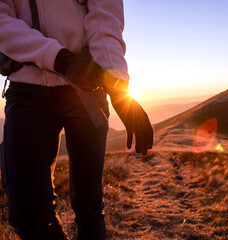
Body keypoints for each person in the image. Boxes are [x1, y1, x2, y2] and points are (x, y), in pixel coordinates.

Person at [0, 0, 153, 239]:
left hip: (86, 86)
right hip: (27, 88)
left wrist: (118, 87)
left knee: (89, 208)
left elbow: (105, 18)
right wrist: (59, 58)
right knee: (27, 215)